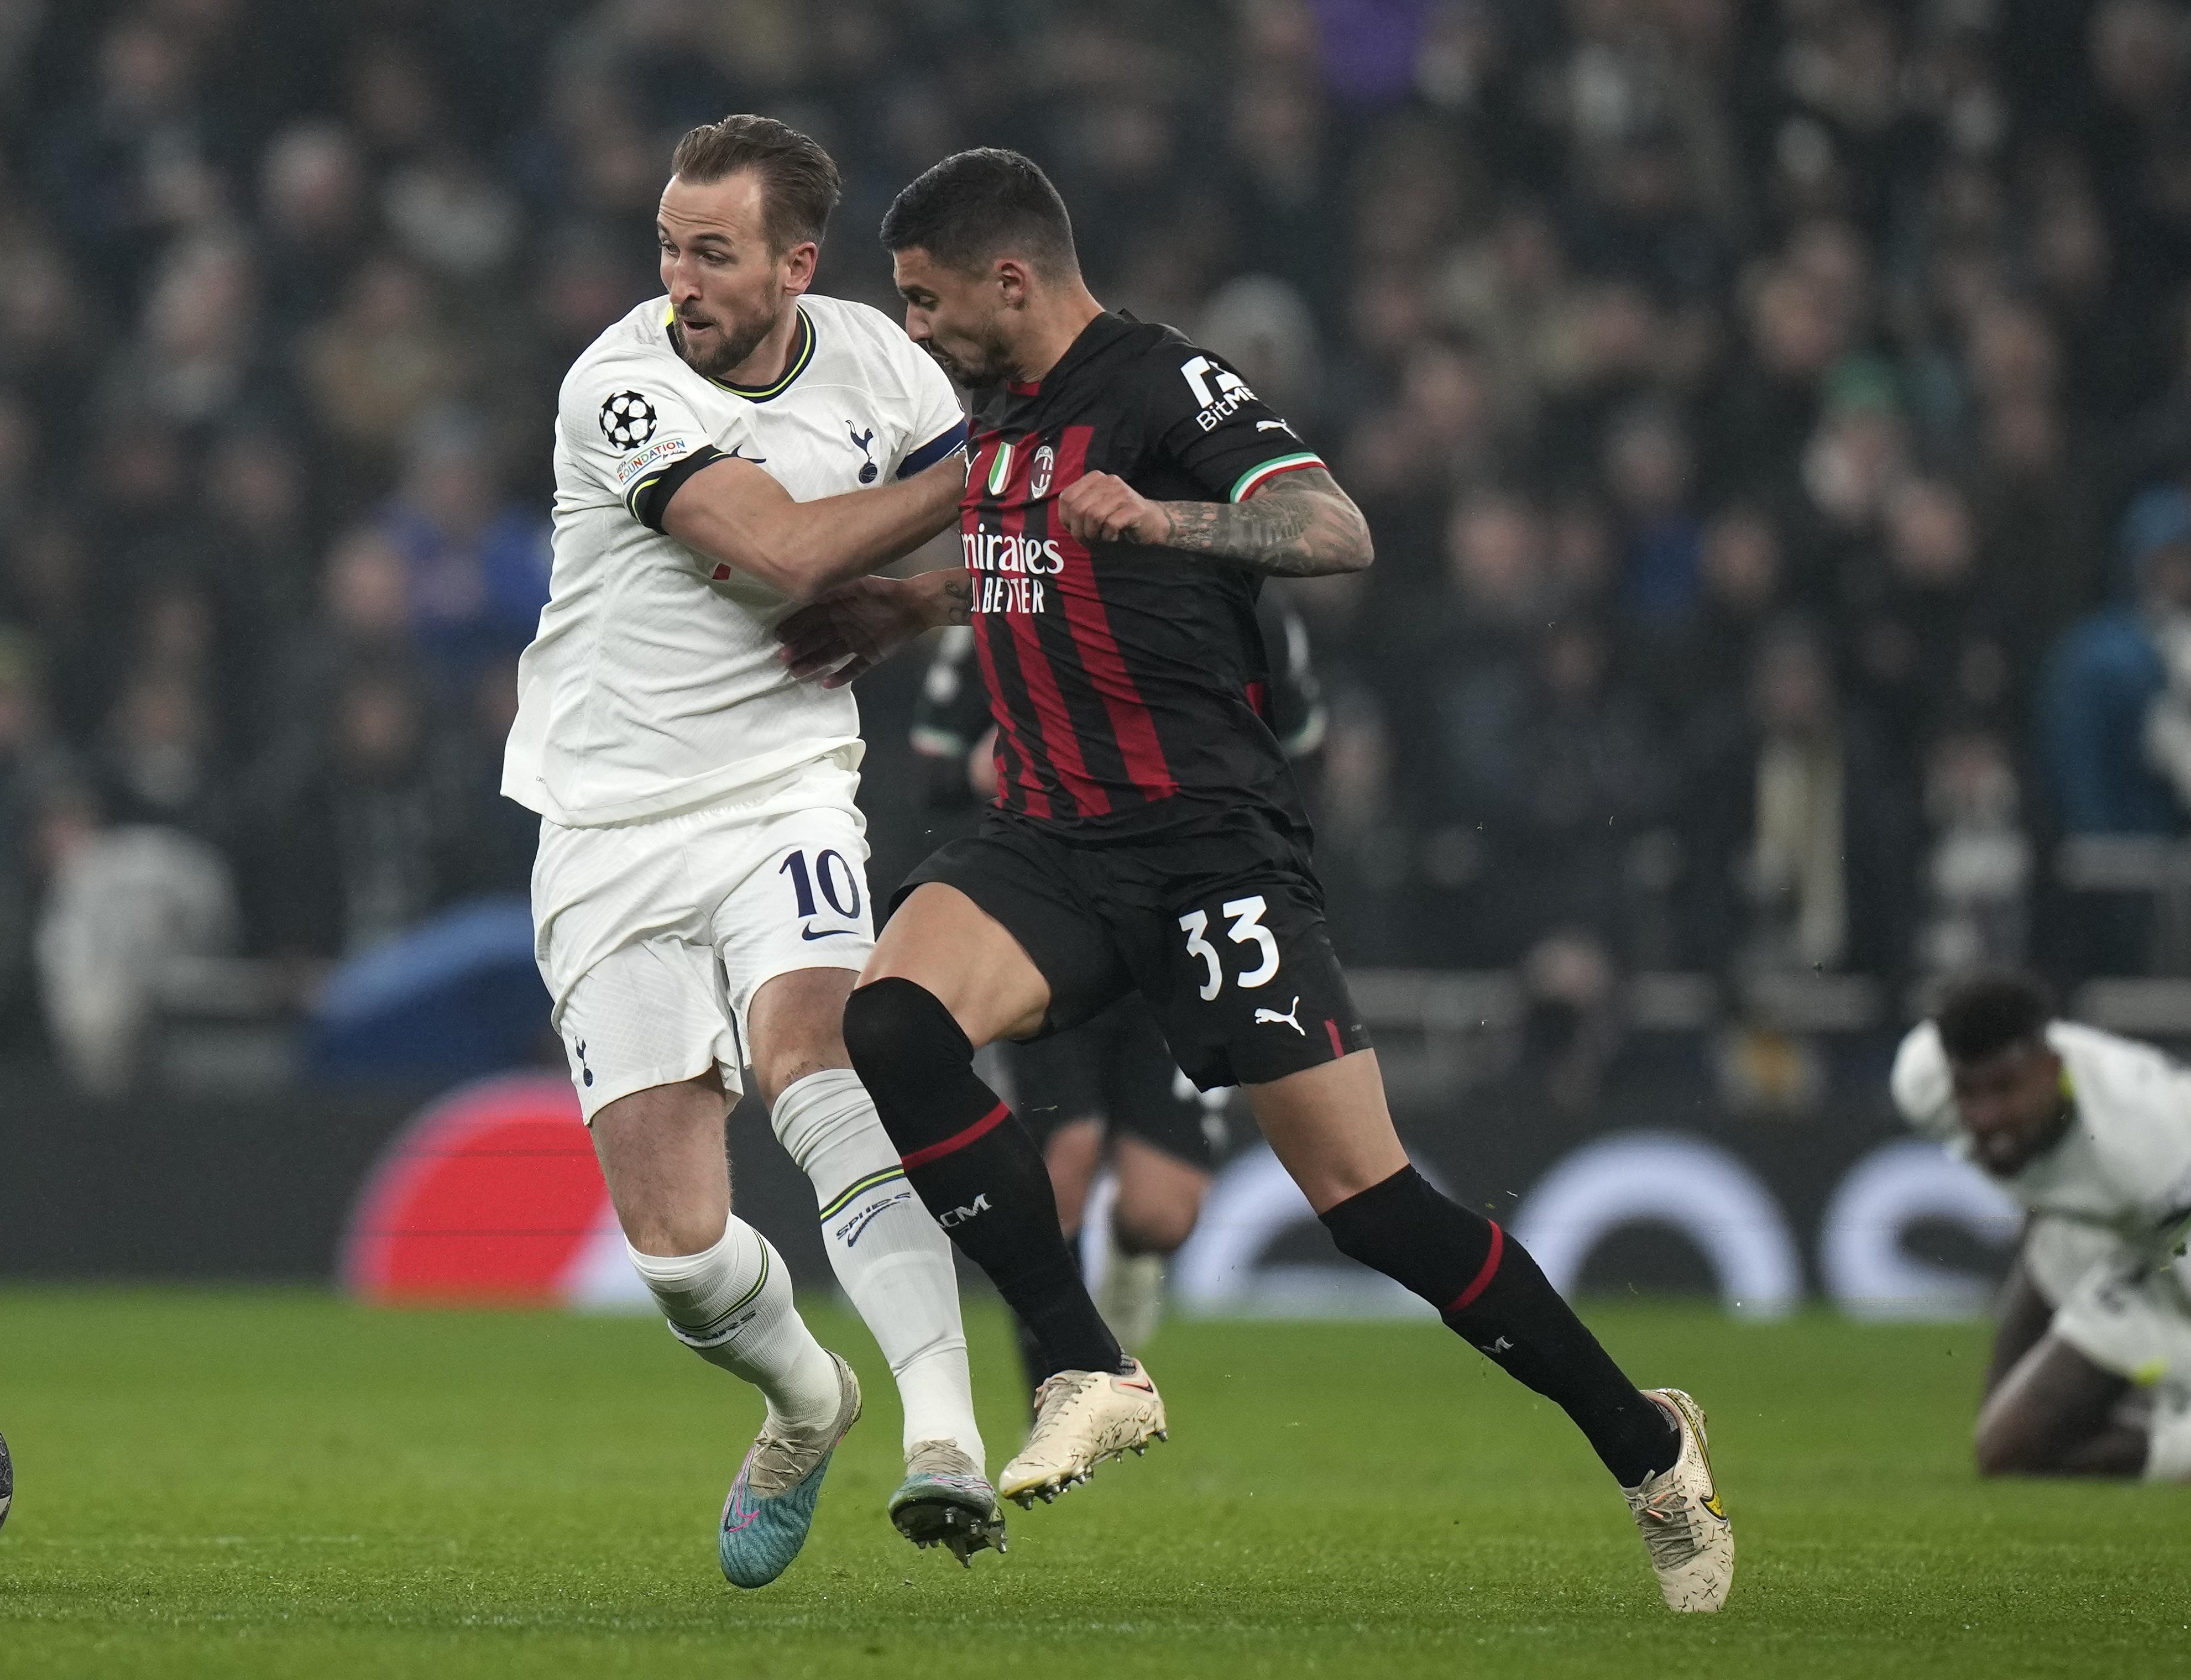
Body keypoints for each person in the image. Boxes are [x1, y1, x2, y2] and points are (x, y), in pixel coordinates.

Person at [778, 147, 1734, 1612]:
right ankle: (1090, 1362)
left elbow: (1334, 528)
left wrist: (1170, 519)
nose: (911, 330)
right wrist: (900, 606)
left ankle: (1645, 1440)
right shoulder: (998, 415)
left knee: (1367, 1200)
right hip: (1044, 839)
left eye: (923, 301)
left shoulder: (1167, 386)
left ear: (1010, 280)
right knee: (893, 1017)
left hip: (1208, 850)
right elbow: (1023, 565)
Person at [499, 116, 994, 1589]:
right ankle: (809, 1396)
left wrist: (923, 597)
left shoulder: (882, 365)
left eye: (710, 252)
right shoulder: (622, 382)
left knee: (820, 1068)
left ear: (796, 262)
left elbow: (1023, 554)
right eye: (666, 244)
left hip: (781, 788)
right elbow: (780, 553)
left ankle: (946, 1437)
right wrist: (981, 470)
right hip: (602, 829)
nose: (678, 278)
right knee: (678, 1252)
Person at [913, 594, 1327, 1385]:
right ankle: (1062, 1389)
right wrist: (1010, 753)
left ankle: (1136, 1260)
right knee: (1062, 1155)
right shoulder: (1014, 595)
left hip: (1181, 932)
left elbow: (1304, 762)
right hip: (1052, 924)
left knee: (1159, 1211)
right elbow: (931, 765)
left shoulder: (1250, 614)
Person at [1890, 969, 2191, 1483]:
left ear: (2053, 1068)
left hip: (2172, 1252)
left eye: (2005, 1089)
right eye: (1970, 1092)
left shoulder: (2145, 1147)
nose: (1987, 1118)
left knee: (2011, 1450)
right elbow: (2044, 1188)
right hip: (2096, 1229)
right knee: (2007, 1450)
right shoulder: (1922, 1081)